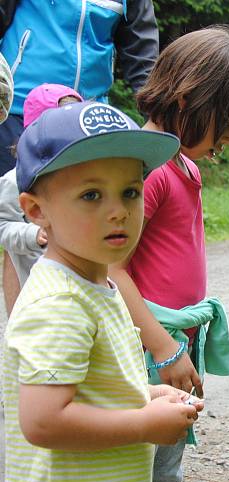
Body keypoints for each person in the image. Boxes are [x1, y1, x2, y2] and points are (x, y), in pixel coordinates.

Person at [3, 100, 203, 482]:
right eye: (92, 195)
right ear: (36, 210)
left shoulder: (96, 282)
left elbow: (90, 387)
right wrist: (142, 424)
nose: (118, 211)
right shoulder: (59, 302)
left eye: (130, 192)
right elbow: (44, 419)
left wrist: (146, 396)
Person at [107, 26, 229, 482]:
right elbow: (112, 266)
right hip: (144, 353)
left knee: (162, 480)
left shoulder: (185, 165)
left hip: (171, 350)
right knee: (133, 479)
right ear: (190, 99)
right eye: (228, 124)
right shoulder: (147, 169)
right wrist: (164, 348)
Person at [0, 0, 159, 314]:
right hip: (22, 111)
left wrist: (154, 113)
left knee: (89, 220)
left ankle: (83, 319)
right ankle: (24, 330)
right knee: (26, 221)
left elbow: (142, 52)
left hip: (86, 116)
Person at [0, 84, 83, 313]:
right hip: (34, 290)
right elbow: (3, 226)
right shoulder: (14, 181)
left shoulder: (82, 178)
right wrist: (33, 234)